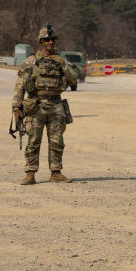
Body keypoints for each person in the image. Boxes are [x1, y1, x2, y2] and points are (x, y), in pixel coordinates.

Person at [12, 25, 79, 185]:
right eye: (47, 39)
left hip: (56, 105)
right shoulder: (32, 61)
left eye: (53, 39)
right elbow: (20, 84)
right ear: (41, 41)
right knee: (34, 140)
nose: (51, 42)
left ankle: (56, 172)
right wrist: (16, 106)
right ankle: (30, 173)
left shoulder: (61, 61)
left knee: (57, 141)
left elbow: (73, 79)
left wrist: (62, 63)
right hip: (36, 105)